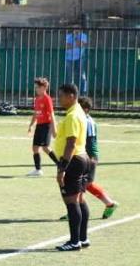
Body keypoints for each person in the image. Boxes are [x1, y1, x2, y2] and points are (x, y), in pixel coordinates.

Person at [59, 97, 118, 221]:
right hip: (85, 156)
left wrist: (89, 157)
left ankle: (76, 212)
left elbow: (89, 142)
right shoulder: (82, 119)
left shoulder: (87, 121)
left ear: (85, 109)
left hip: (88, 157)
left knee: (79, 185)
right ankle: (109, 204)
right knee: (85, 184)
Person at [53, 84, 90, 251]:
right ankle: (83, 238)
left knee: (71, 202)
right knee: (80, 200)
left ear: (71, 96)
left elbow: (71, 142)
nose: (58, 99)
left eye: (61, 96)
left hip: (74, 160)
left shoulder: (73, 116)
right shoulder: (79, 112)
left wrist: (62, 168)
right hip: (82, 158)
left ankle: (75, 241)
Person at [26, 77, 58, 177]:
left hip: (46, 125)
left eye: (38, 87)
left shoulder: (47, 99)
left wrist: (54, 128)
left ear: (44, 87)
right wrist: (31, 125)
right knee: (35, 147)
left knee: (45, 148)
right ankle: (38, 169)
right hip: (39, 125)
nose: (36, 89)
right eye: (35, 87)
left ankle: (61, 165)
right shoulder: (37, 99)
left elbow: (52, 114)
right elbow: (35, 113)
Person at [64, 28, 88, 95]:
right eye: (74, 28)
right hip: (69, 58)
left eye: (78, 28)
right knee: (69, 76)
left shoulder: (83, 36)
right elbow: (67, 46)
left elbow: (81, 45)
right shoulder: (68, 35)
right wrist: (76, 45)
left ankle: (83, 93)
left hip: (80, 58)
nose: (76, 30)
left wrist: (76, 38)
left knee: (81, 76)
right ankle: (70, 93)